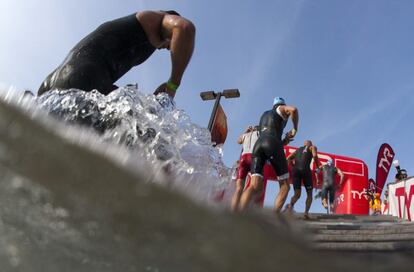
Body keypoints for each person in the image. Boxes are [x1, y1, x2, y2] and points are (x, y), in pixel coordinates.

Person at [38, 10, 195, 98]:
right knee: (143, 133)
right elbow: (184, 28)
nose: (168, 48)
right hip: (83, 79)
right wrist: (173, 84)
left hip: (54, 82)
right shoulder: (157, 19)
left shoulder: (139, 32)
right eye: (171, 43)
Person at [239, 97, 298, 213]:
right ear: (280, 105)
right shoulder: (280, 109)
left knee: (255, 186)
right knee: (285, 186)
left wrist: (284, 141)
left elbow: (269, 136)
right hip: (271, 143)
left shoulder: (264, 116)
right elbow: (294, 110)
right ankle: (274, 218)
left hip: (258, 146)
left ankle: (239, 215)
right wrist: (295, 128)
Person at [285, 140, 320, 219]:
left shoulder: (297, 150)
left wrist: (293, 166)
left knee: (297, 194)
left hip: (296, 171)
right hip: (306, 171)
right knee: (309, 194)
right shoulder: (312, 147)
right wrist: (317, 167)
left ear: (304, 144)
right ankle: (306, 213)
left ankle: (290, 207)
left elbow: (288, 159)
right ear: (310, 144)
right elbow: (314, 156)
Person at [231, 126, 260, 211]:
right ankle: (245, 207)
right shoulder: (259, 133)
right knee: (254, 186)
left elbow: (238, 141)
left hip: (243, 158)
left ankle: (233, 211)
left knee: (239, 188)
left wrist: (246, 131)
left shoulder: (245, 135)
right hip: (253, 157)